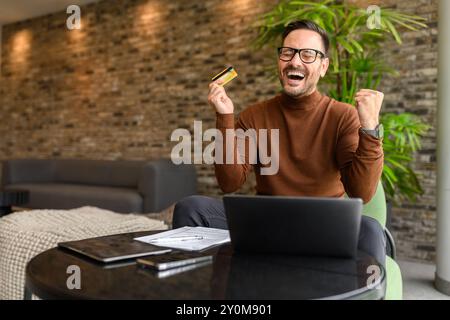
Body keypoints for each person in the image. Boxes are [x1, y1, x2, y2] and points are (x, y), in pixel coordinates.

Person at [173, 20, 386, 264]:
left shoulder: (342, 116)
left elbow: (362, 192)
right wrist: (225, 117)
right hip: (267, 221)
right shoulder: (254, 116)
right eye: (288, 53)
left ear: (323, 66)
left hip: (321, 226)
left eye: (308, 55)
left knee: (370, 230)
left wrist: (370, 129)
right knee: (191, 208)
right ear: (280, 60)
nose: (295, 61)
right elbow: (229, 183)